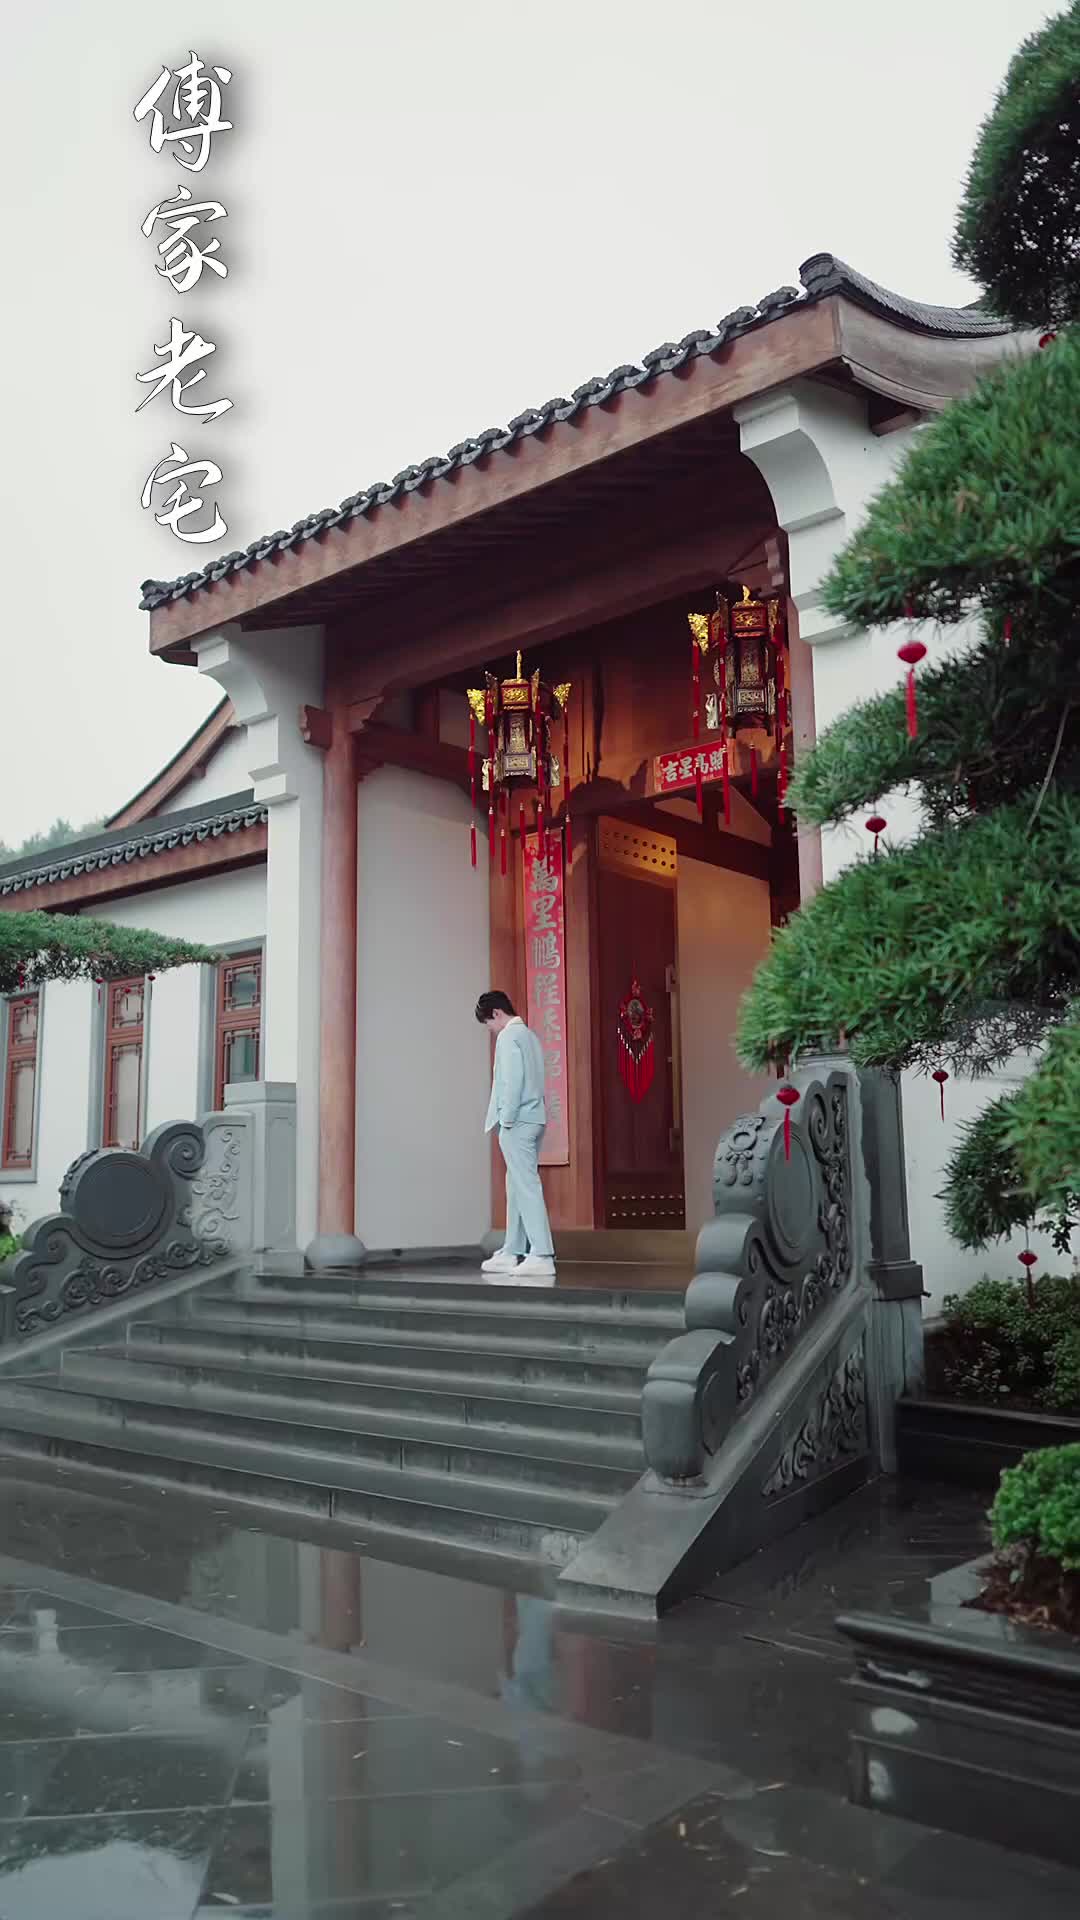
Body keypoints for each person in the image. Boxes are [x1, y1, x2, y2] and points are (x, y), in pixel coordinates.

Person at [475, 990, 556, 1282]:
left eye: (488, 1022)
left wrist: (506, 1120)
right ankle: (512, 1249)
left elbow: (512, 1081)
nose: (490, 1029)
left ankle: (542, 1254)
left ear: (497, 1013)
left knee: (526, 1186)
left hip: (518, 1121)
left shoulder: (509, 1036)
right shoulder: (530, 1036)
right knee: (517, 1186)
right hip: (534, 1118)